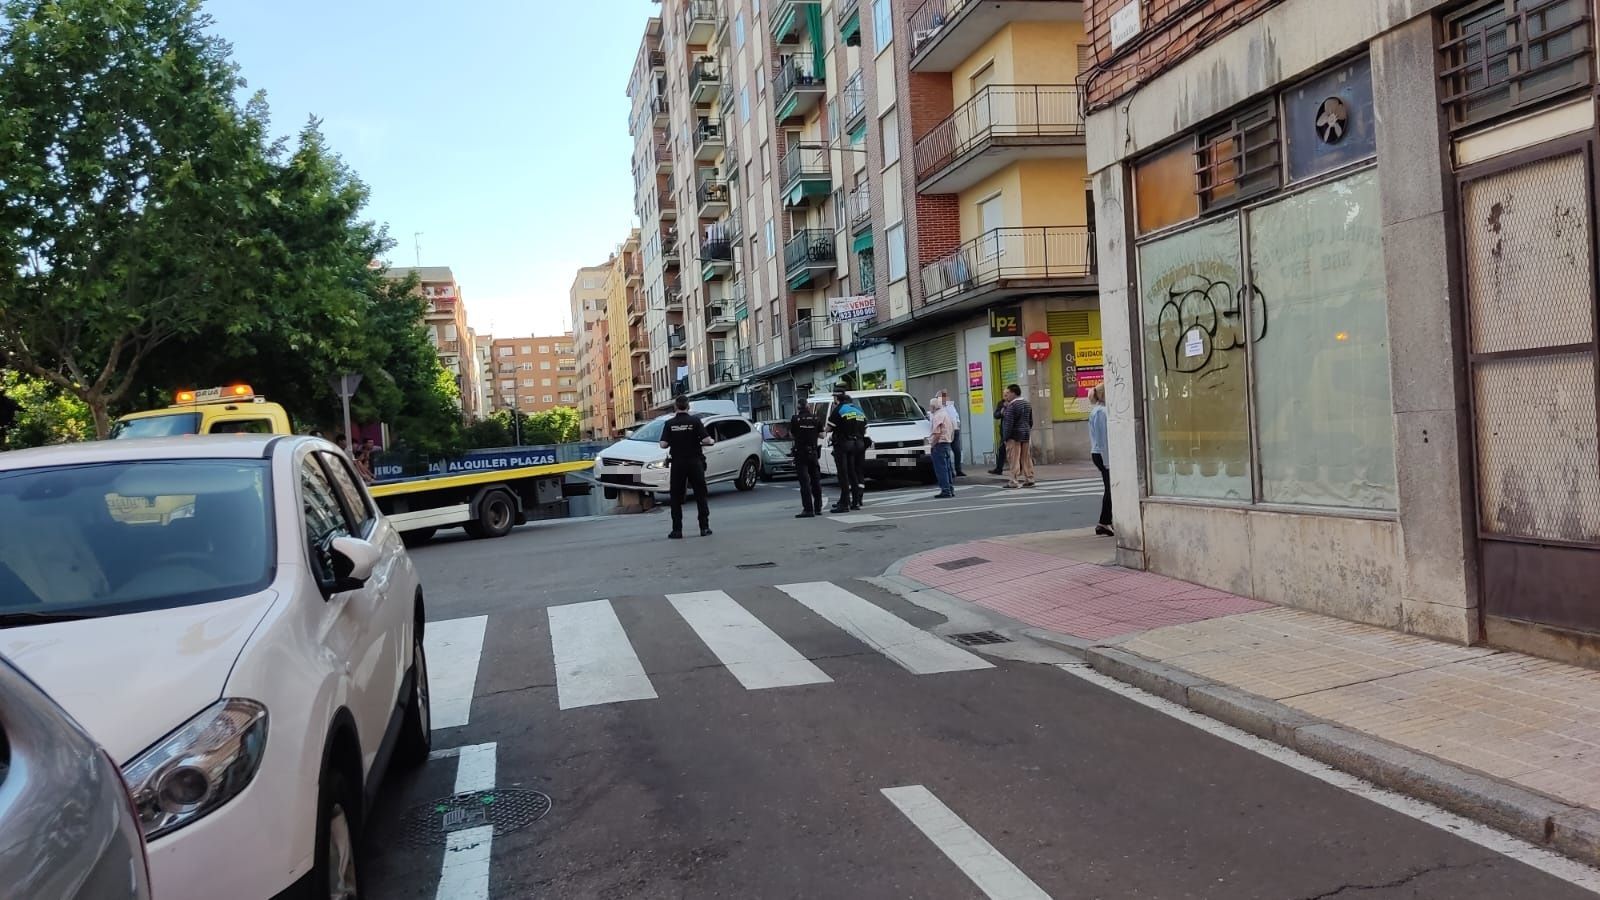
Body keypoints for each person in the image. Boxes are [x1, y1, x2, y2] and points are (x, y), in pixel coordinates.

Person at [658, 395, 715, 538]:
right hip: (695, 462)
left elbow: (663, 444)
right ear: (688, 406)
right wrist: (711, 441)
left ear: (675, 407)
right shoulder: (695, 421)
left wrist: (674, 439)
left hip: (678, 463)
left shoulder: (669, 423)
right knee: (700, 494)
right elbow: (706, 440)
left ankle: (677, 530)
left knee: (676, 496)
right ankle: (704, 527)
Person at [826, 387, 867, 513]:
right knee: (853, 473)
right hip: (858, 444)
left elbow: (828, 429)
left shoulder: (839, 409)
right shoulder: (858, 410)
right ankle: (855, 502)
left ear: (836, 398)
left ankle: (844, 504)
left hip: (843, 444)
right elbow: (865, 428)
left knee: (843, 474)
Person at [789, 400, 824, 518]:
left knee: (804, 483)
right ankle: (818, 508)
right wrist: (813, 433)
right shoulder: (816, 418)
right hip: (813, 453)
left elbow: (792, 434)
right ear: (808, 407)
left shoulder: (795, 419)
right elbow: (822, 435)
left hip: (801, 453)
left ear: (798, 408)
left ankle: (808, 509)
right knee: (816, 481)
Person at [1089, 384, 1113, 536]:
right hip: (1102, 453)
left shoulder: (1099, 410)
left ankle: (1106, 521)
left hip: (1100, 453)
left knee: (1110, 487)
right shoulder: (1101, 412)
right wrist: (1107, 461)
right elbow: (1103, 438)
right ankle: (1104, 521)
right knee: (1110, 488)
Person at [1001, 384, 1035, 489]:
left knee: (1014, 458)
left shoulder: (1012, 406)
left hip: (1014, 435)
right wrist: (1027, 429)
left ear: (1013, 393)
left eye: (1008, 393)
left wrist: (1005, 437)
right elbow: (1030, 421)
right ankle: (1029, 478)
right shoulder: (1027, 404)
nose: (1007, 396)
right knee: (1026, 457)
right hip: (1025, 433)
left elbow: (1008, 424)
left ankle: (1013, 480)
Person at [927, 396, 956, 499]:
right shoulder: (946, 414)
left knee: (941, 469)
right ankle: (950, 489)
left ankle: (945, 490)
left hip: (939, 444)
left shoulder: (937, 416)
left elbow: (937, 433)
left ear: (934, 406)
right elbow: (953, 429)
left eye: (930, 406)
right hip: (947, 443)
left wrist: (932, 445)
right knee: (947, 468)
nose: (929, 408)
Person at [937, 389, 966, 476]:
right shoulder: (938, 407)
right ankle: (950, 471)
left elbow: (955, 415)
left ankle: (958, 470)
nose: (944, 398)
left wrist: (958, 423)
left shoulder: (950, 405)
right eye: (942, 397)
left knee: (957, 451)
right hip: (946, 431)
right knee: (947, 451)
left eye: (945, 396)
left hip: (955, 430)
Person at [988, 396, 1009, 475]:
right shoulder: (1001, 403)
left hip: (1014, 431)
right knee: (1001, 450)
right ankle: (999, 469)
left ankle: (1020, 469)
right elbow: (996, 415)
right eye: (1004, 394)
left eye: (1007, 394)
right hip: (1004, 431)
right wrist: (1001, 412)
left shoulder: (1014, 403)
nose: (1006, 396)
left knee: (1015, 452)